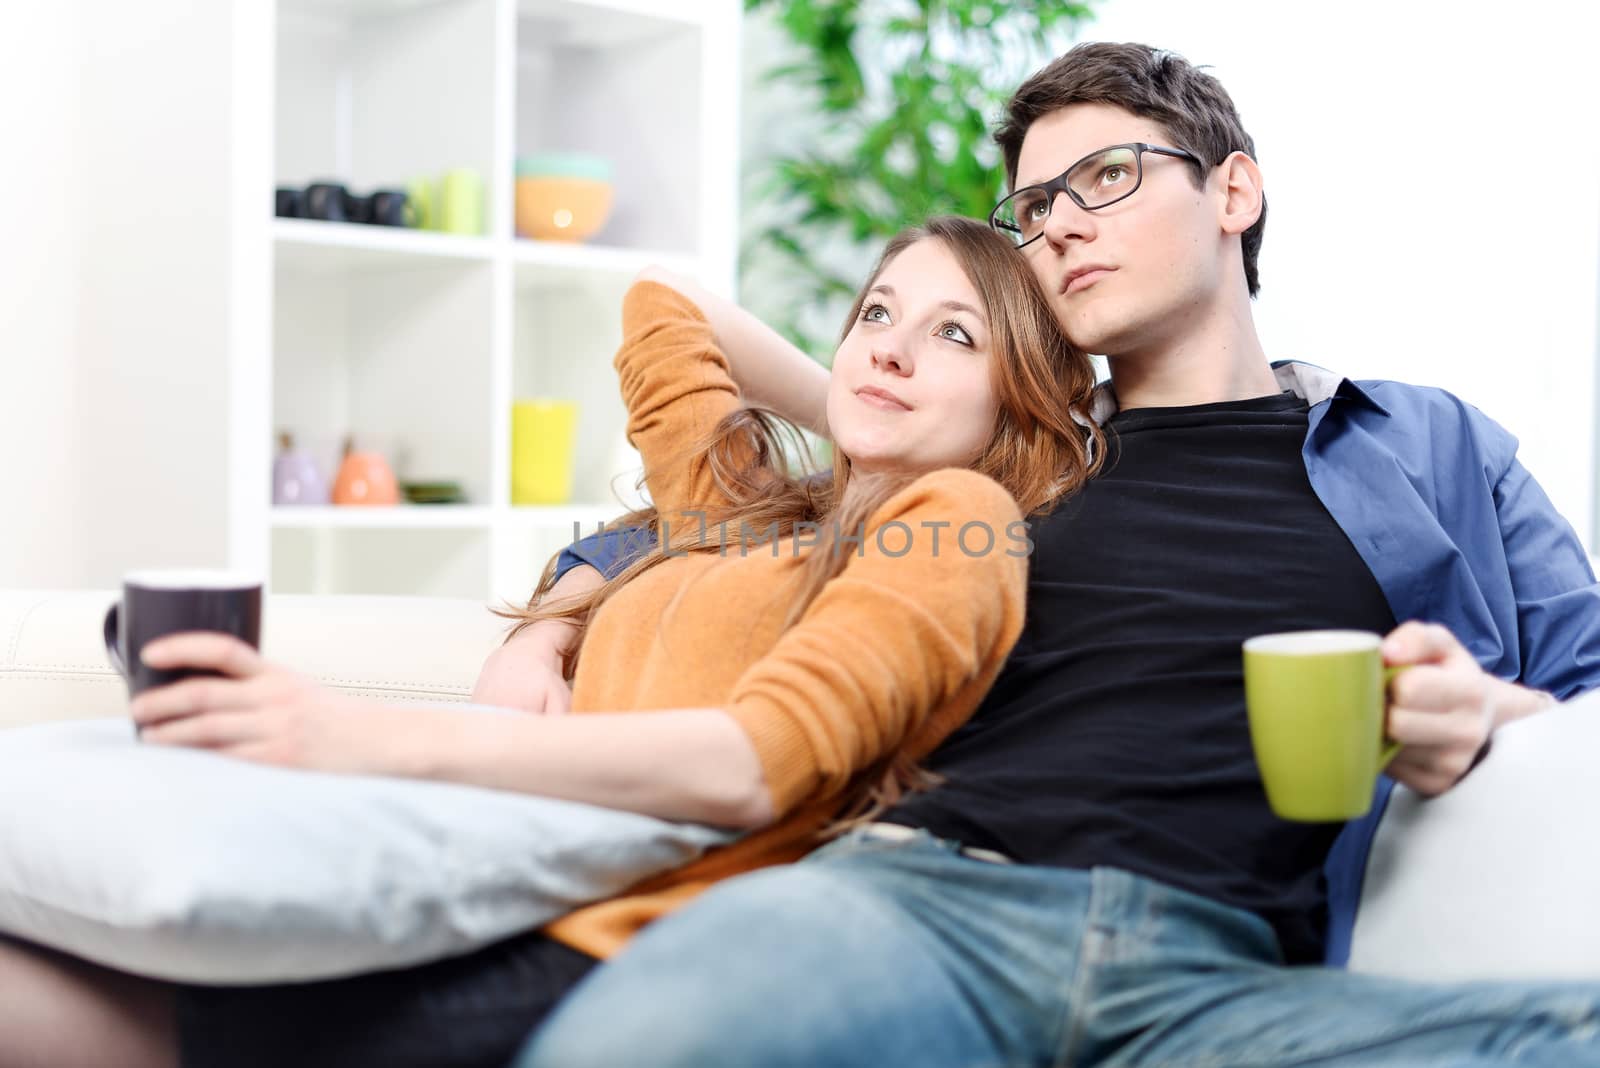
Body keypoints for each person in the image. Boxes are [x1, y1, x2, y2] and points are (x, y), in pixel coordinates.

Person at [511, 42, 1600, 1068]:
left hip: (1219, 982)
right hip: (924, 909)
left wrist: (1479, 716)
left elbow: (1584, 694)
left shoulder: (1430, 448)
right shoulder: (1003, 465)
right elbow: (736, 515)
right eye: (1035, 208)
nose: (1062, 226)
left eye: (1107, 176)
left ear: (1232, 194)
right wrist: (555, 620)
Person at [0, 216, 1105, 1068]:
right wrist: (860, 410)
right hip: (466, 874)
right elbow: (665, 304)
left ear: (1018, 399)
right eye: (875, 314)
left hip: (600, 941)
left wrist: (351, 734)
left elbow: (750, 765)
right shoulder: (737, 513)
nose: (893, 350)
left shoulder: (958, 520)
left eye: (952, 334)